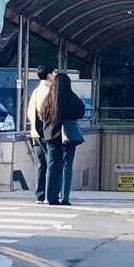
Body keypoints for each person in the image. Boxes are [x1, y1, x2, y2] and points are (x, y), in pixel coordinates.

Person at [38, 72, 86, 206]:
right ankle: (65, 197)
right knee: (67, 165)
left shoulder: (48, 99)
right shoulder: (72, 98)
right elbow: (81, 113)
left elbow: (42, 115)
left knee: (52, 165)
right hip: (68, 135)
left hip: (51, 136)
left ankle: (51, 197)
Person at [25, 65, 55, 205]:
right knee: (52, 164)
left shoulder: (36, 91)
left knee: (40, 164)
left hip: (35, 133)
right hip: (48, 133)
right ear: (49, 75)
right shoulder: (51, 91)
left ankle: (39, 196)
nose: (55, 75)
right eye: (54, 73)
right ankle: (50, 195)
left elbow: (29, 113)